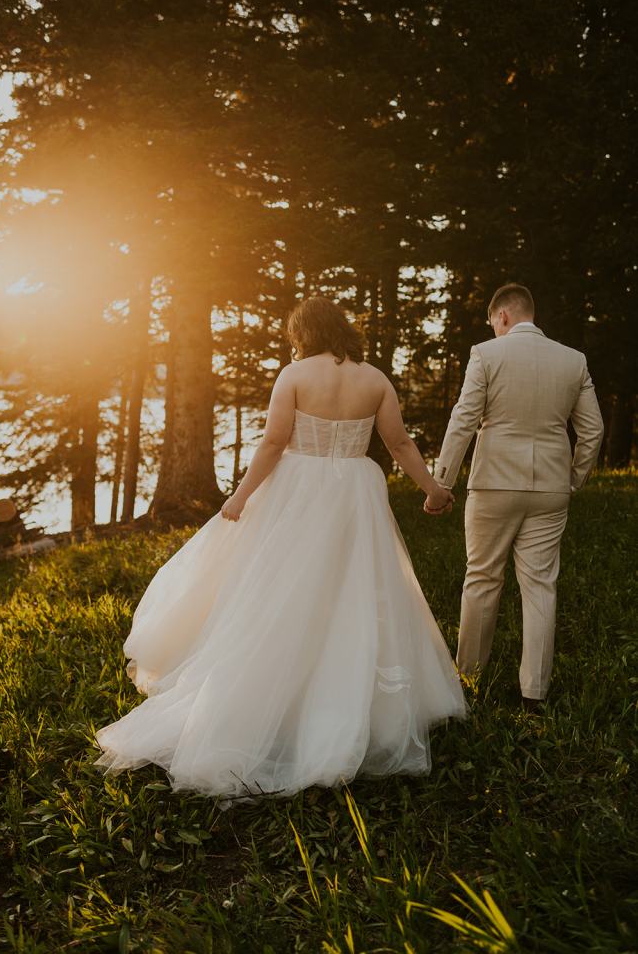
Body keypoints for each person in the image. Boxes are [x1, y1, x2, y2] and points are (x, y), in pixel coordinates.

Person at [93, 296, 467, 806]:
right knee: (353, 590)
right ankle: (348, 705)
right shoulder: (375, 378)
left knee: (279, 591)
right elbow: (399, 443)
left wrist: (240, 497)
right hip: (355, 489)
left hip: (299, 489)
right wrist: (431, 489)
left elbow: (272, 443)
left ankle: (278, 702)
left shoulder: (294, 375)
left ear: (303, 334)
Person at [429, 283, 605, 711]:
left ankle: (468, 681)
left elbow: (464, 420)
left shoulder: (487, 354)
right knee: (541, 585)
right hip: (550, 488)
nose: (493, 329)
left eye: (493, 322)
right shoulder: (573, 360)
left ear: (503, 316)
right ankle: (534, 694)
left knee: (483, 579)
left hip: (493, 484)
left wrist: (442, 482)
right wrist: (572, 480)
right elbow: (593, 430)